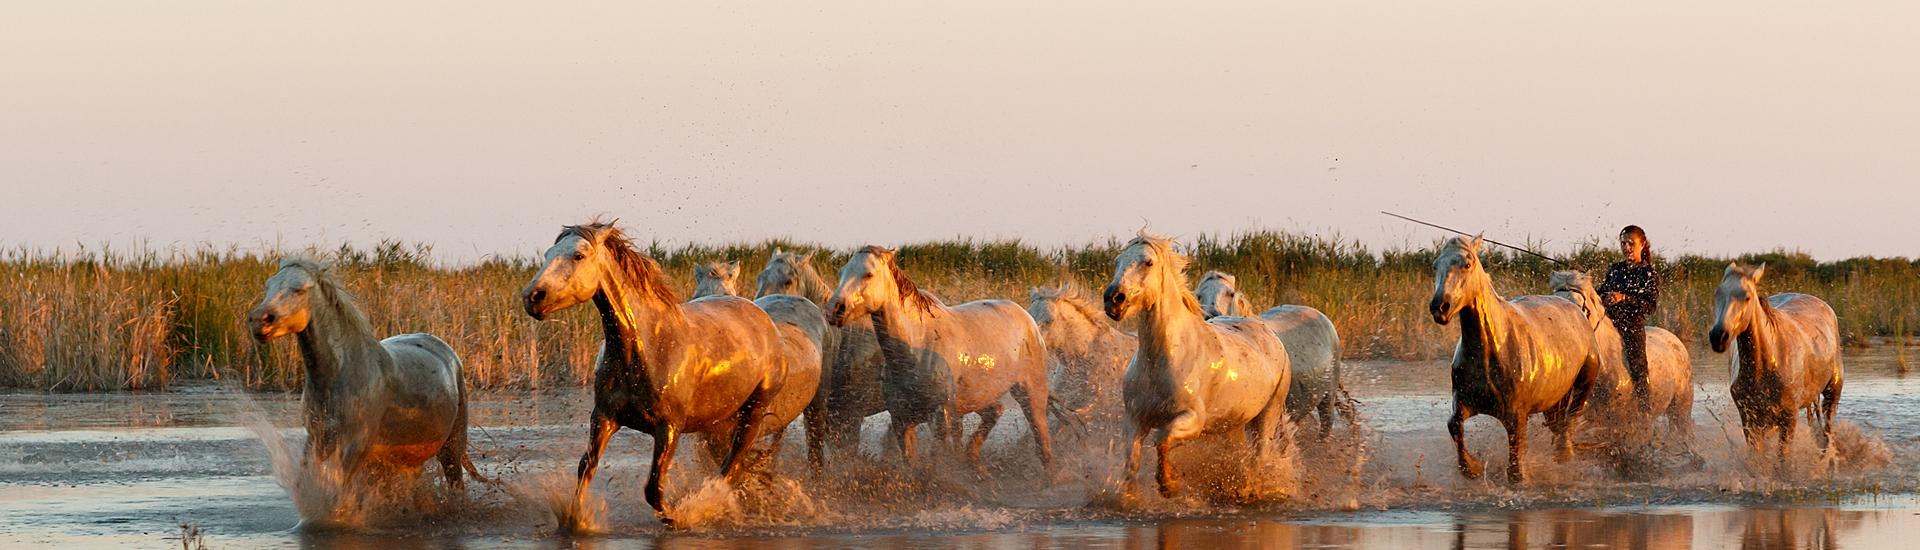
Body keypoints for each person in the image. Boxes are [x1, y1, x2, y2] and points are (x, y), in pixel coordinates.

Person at [1598, 225, 1659, 412]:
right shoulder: (1615, 270)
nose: (1627, 248)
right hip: (1609, 323)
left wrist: (1624, 297)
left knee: (1638, 365)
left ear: (1643, 245)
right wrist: (1602, 296)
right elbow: (1601, 291)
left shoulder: (1648, 273)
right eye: (1623, 243)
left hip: (1632, 326)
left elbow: (1650, 306)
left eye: (1631, 243)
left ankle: (1644, 407)